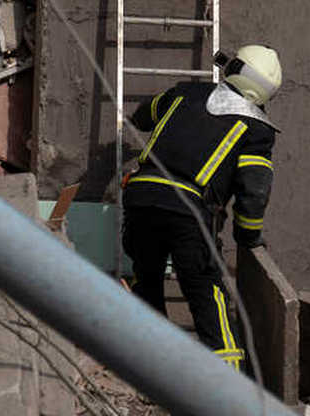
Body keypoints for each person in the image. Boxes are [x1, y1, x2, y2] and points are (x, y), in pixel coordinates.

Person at [118, 43, 281, 370]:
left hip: (140, 198)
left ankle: (152, 368)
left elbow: (143, 115)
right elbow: (253, 193)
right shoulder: (257, 130)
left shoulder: (185, 93)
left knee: (146, 280)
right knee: (207, 294)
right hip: (188, 214)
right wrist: (248, 238)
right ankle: (228, 389)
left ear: (234, 68)